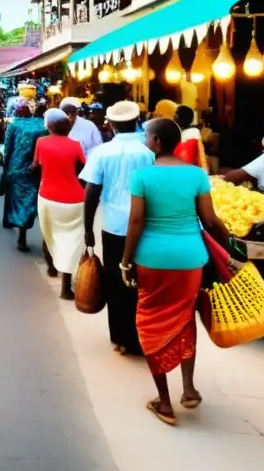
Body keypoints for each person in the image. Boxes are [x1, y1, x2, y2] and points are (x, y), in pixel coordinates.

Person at [121, 118, 231, 426]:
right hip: (190, 259)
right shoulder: (196, 174)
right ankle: (189, 389)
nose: (145, 140)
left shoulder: (142, 176)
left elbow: (136, 222)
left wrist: (125, 261)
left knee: (149, 322)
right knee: (185, 318)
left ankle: (164, 402)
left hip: (152, 259)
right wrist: (231, 248)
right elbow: (209, 219)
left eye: (147, 136)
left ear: (156, 142)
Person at [81, 100, 155, 356]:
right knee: (144, 282)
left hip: (113, 226)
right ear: (137, 121)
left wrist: (88, 228)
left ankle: (122, 337)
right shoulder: (150, 150)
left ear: (110, 125)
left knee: (117, 280)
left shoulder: (103, 152)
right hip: (148, 225)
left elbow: (91, 194)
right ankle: (145, 335)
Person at [33, 108, 86, 300]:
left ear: (49, 125)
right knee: (71, 241)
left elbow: (35, 166)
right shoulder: (76, 145)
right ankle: (66, 286)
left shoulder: (41, 142)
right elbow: (83, 169)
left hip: (48, 196)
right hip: (75, 200)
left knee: (49, 234)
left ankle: (52, 265)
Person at [1, 101, 48, 250]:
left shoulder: (14, 124)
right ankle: (26, 230)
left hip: (15, 167)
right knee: (29, 200)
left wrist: (5, 165)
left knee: (14, 197)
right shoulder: (42, 125)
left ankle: (16, 226)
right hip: (35, 169)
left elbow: (8, 147)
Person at [174, 105, 208, 171]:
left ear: (178, 117)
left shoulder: (186, 135)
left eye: (175, 115)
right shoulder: (195, 132)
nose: (174, 117)